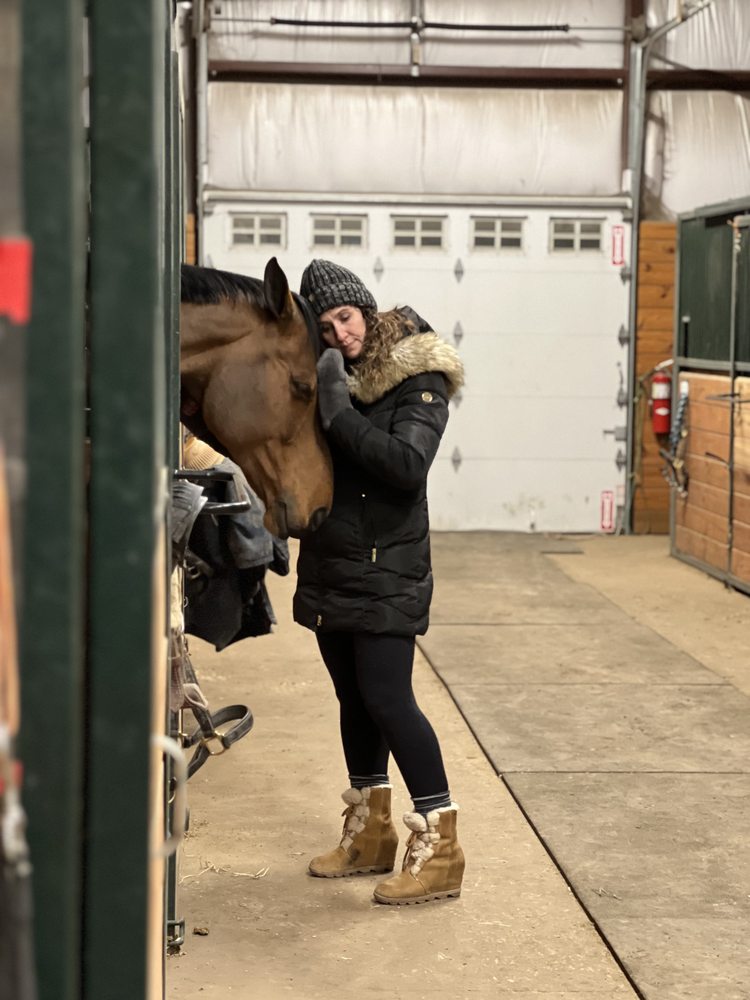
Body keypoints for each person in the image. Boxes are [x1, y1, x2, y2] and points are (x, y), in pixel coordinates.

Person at [294, 259, 466, 906]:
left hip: (388, 566)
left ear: (365, 310)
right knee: (353, 700)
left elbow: (405, 464)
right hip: (332, 563)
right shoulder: (323, 375)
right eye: (327, 324)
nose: (340, 332)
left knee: (390, 700)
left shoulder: (417, 373)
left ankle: (441, 847)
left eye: (346, 316)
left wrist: (337, 412)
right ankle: (370, 834)